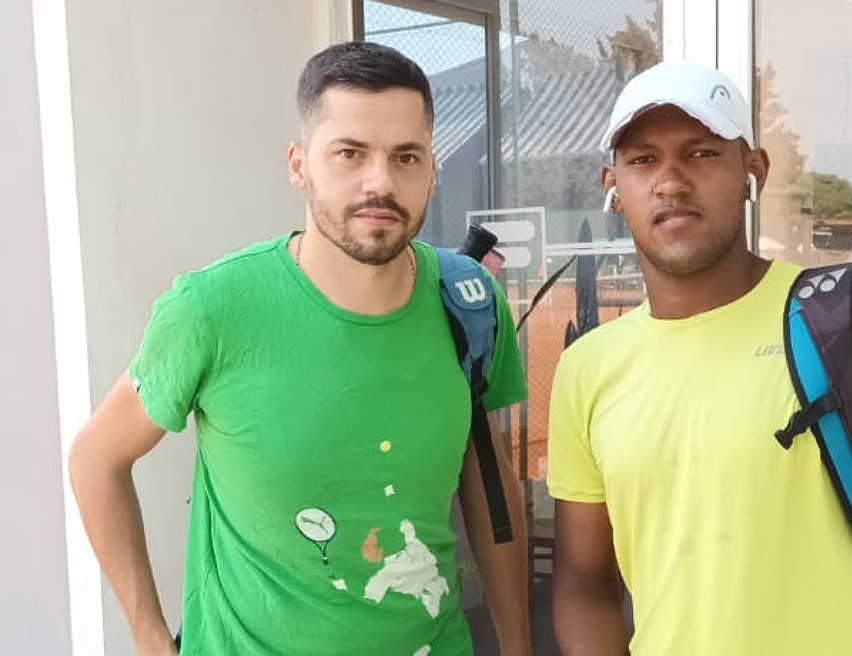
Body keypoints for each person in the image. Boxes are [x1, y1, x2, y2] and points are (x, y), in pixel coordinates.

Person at [546, 58, 852, 656]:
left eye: (701, 153)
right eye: (643, 160)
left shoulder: (848, 317)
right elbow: (584, 584)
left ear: (754, 171)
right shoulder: (587, 369)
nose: (669, 182)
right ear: (611, 185)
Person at [69, 41, 531, 656]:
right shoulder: (213, 309)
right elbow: (95, 459)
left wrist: (518, 645)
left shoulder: (468, 302)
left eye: (406, 157)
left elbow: (486, 477)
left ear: (431, 170)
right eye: (349, 153)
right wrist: (150, 637)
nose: (380, 182)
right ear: (299, 165)